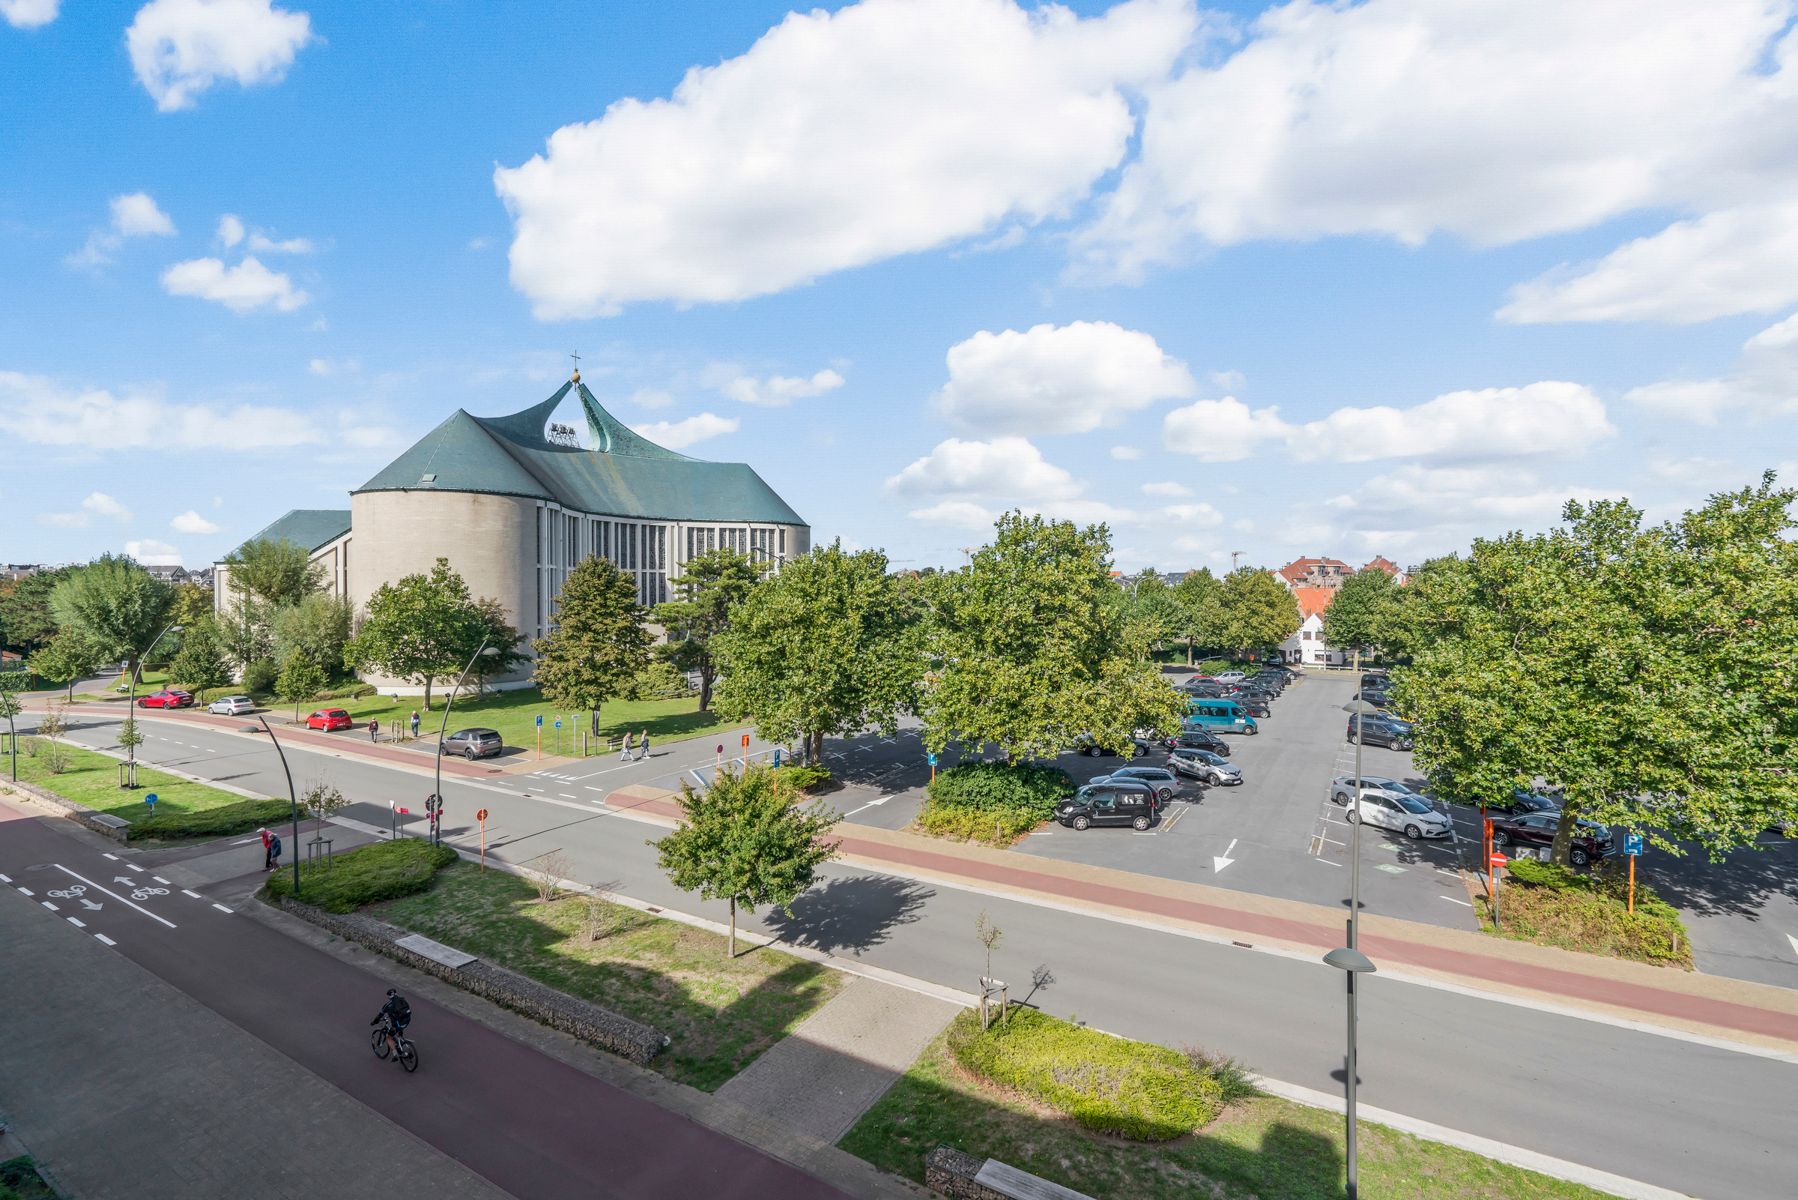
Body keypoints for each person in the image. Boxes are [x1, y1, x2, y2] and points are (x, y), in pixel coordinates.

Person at [370, 987, 412, 1060]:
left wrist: (374, 1022)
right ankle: (403, 1044)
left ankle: (395, 1054)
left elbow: (379, 1015)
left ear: (389, 996)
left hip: (398, 1023)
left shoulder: (388, 1005)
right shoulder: (402, 999)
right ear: (396, 993)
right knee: (398, 1031)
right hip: (407, 1020)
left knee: (389, 1038)